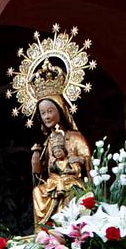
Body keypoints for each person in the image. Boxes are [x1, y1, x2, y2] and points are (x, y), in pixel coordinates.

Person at [30, 95, 90, 227]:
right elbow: (41, 174)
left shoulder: (75, 136)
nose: (47, 116)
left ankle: (70, 228)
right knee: (37, 191)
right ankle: (44, 230)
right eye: (43, 113)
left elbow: (87, 160)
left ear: (61, 111)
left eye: (50, 111)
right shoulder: (47, 143)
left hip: (71, 179)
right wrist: (35, 161)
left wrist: (79, 160)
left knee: (68, 188)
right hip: (52, 182)